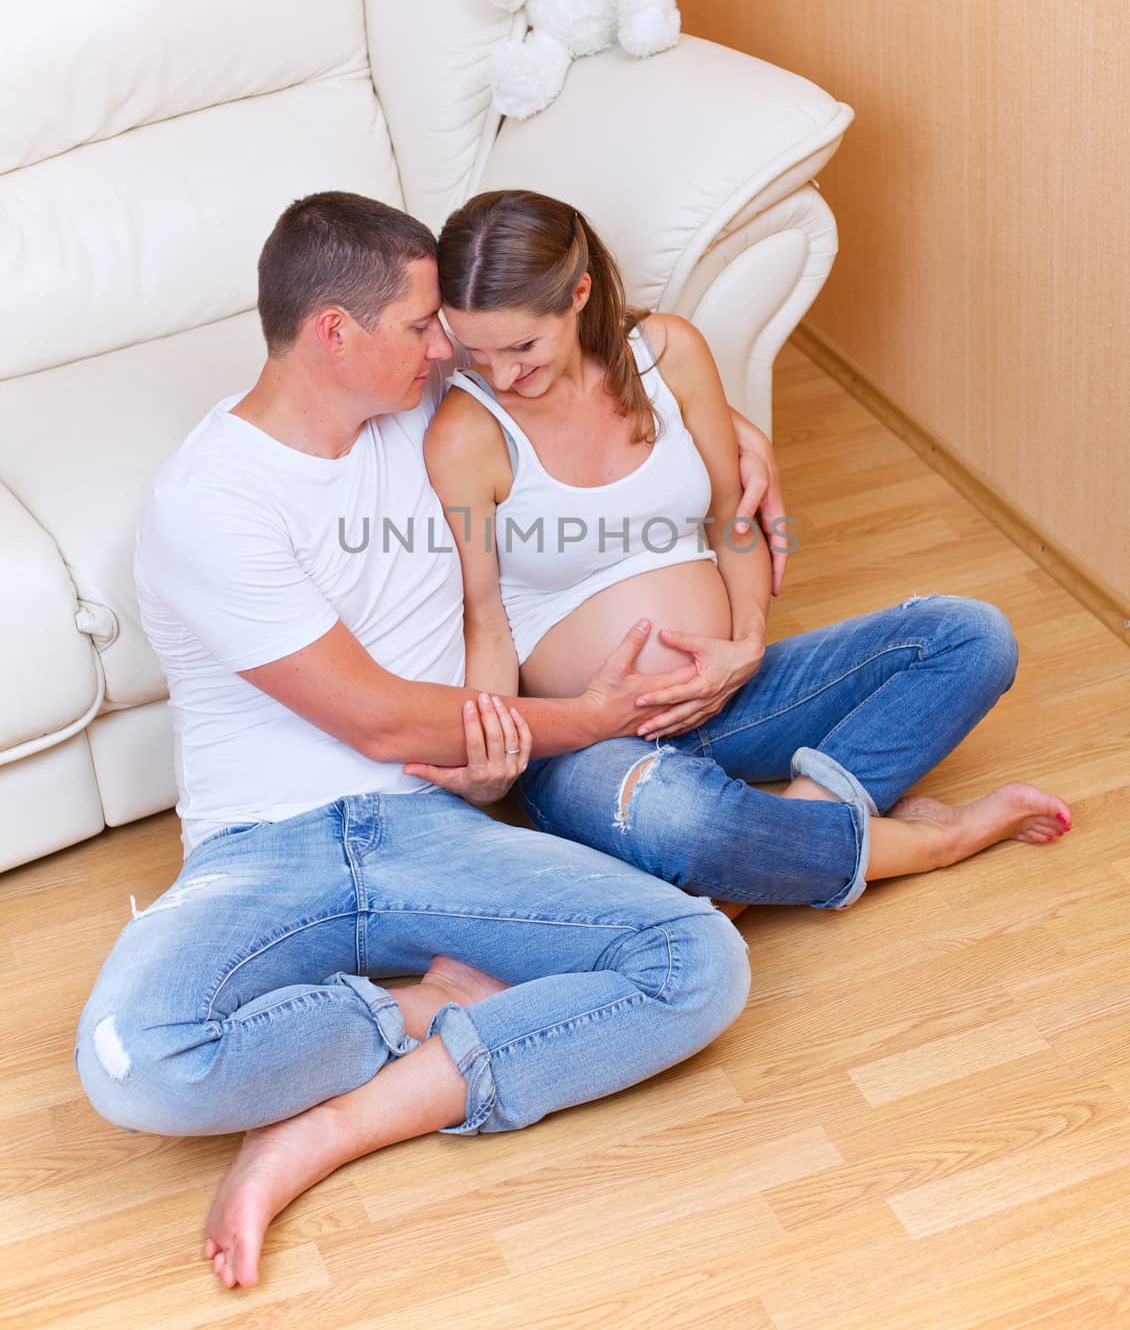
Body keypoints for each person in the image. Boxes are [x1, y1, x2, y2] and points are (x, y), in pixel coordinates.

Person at [74, 192, 755, 1292]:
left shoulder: (430, 394)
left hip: (433, 827)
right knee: (134, 1063)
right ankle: (427, 1005)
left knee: (702, 962)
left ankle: (331, 1129)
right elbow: (383, 717)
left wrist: (737, 441)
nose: (449, 345)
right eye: (422, 323)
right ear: (333, 334)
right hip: (265, 845)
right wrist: (586, 720)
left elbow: (604, 375)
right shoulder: (211, 502)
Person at [425, 189, 1072, 914]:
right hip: (591, 744)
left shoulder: (669, 355)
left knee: (972, 638)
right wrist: (491, 764)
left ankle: (770, 849)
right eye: (476, 352)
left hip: (733, 696)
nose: (502, 375)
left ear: (577, 295)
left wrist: (748, 647)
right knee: (683, 818)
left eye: (523, 347)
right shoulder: (466, 432)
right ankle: (926, 842)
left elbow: (736, 520)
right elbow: (484, 620)